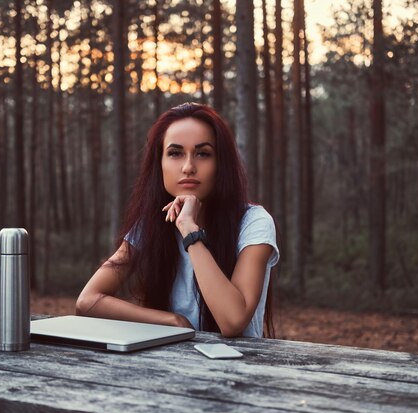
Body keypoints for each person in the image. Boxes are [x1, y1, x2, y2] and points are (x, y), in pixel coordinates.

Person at [76, 102, 279, 337]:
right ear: (159, 164)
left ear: (220, 164)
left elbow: (233, 321)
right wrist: (170, 320)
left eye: (203, 154)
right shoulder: (151, 225)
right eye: (175, 153)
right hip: (167, 364)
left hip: (236, 368)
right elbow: (88, 300)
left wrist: (189, 230)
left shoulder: (254, 222)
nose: (188, 167)